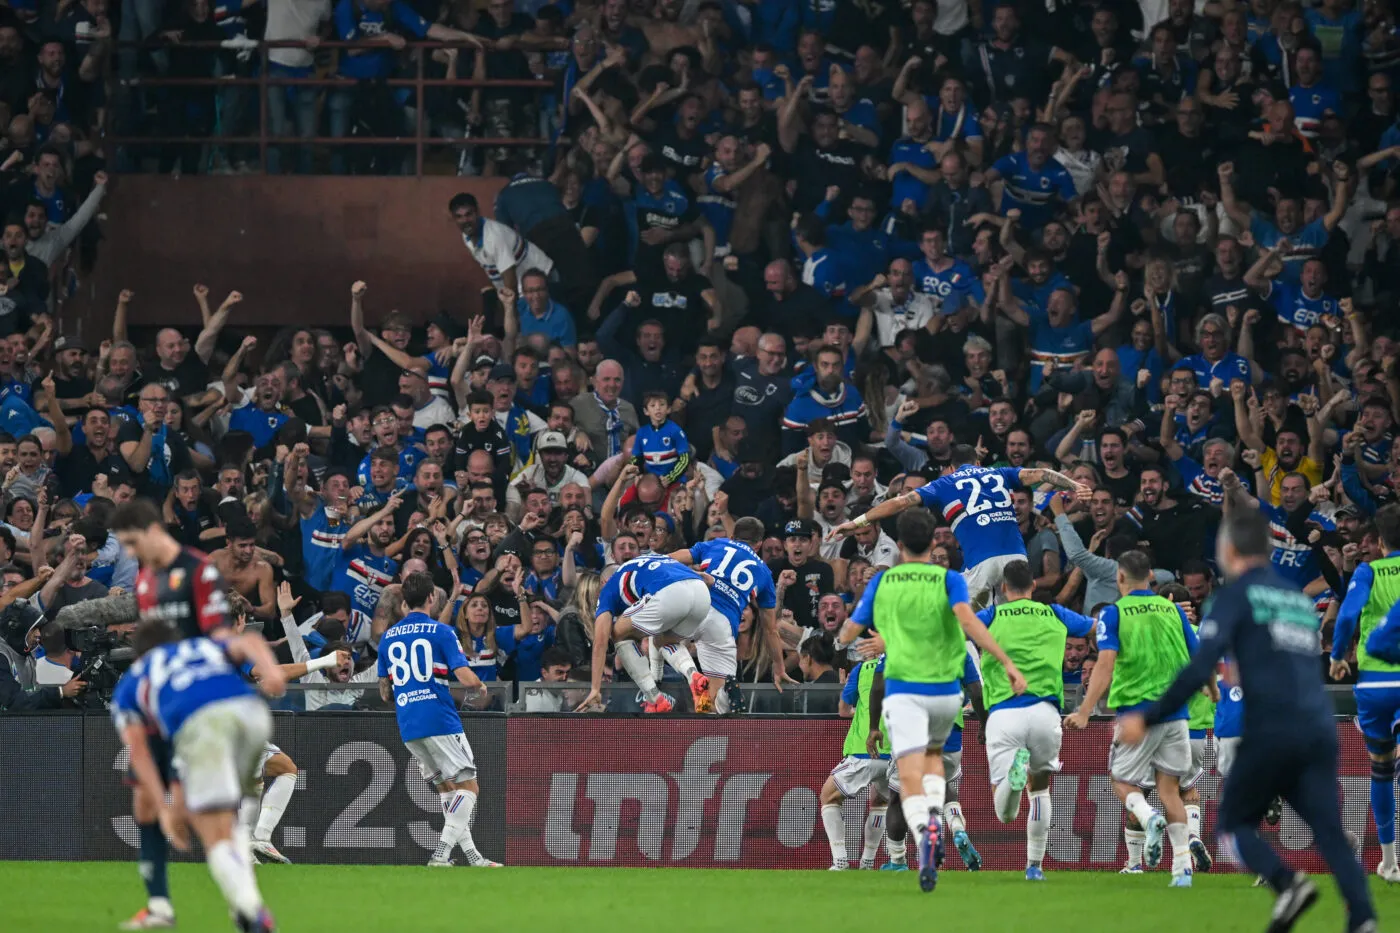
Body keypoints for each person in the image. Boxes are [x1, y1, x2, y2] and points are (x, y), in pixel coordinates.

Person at [1119, 507, 1377, 933]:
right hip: (1318, 725)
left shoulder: (1235, 596)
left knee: (1232, 826)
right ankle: (1364, 919)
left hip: (1271, 726)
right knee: (1329, 831)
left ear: (1228, 550)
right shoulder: (1294, 598)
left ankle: (1286, 883)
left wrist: (1148, 717)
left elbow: (1200, 665)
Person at [834, 508, 1026, 893]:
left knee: (905, 781)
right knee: (936, 761)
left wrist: (847, 637)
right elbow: (969, 624)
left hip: (906, 695)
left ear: (899, 545)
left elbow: (853, 629)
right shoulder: (951, 579)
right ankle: (937, 818)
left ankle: (922, 836)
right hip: (945, 698)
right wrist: (1005, 661)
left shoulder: (885, 581)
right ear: (933, 542)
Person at [110, 619, 285, 933]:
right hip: (253, 714)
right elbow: (250, 641)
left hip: (205, 726)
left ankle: (251, 910)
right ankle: (245, 907)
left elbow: (139, 751)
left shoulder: (135, 677)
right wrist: (272, 672)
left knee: (213, 835)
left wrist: (165, 808)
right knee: (230, 821)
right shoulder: (200, 646)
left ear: (139, 653)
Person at [110, 498, 233, 932]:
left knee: (204, 816)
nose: (129, 553)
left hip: (196, 704)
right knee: (145, 801)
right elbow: (151, 642)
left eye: (131, 543)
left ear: (150, 530)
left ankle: (243, 902)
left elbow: (219, 638)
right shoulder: (145, 579)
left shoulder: (199, 570)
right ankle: (159, 905)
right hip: (157, 700)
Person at [1064, 550, 1203, 888]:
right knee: (1171, 790)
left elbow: (1105, 663)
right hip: (1177, 715)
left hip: (1137, 715)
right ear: (1151, 576)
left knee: (1122, 781)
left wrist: (1085, 710)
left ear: (1120, 577)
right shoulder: (1172, 610)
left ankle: (1147, 817)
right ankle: (1182, 869)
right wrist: (1211, 687)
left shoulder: (1114, 613)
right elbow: (1199, 655)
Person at [828, 444, 1092, 608]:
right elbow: (1041, 474)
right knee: (1014, 623)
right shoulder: (999, 473)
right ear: (978, 463)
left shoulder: (946, 483)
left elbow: (899, 502)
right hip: (1017, 560)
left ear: (952, 468)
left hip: (981, 563)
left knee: (960, 623)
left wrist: (857, 521)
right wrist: (1075, 485)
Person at [976, 559, 1094, 880]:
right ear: (1033, 586)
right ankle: (1034, 867)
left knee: (1005, 813)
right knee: (1040, 789)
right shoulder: (1055, 612)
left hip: (1004, 713)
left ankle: (1015, 776)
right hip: (1045, 713)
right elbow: (1098, 629)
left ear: (1003, 588)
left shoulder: (992, 615)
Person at [376, 571, 500, 868]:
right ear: (431, 597)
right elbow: (466, 677)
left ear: (405, 601)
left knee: (448, 790)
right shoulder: (441, 632)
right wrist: (480, 686)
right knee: (469, 787)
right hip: (439, 719)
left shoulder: (387, 638)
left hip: (409, 724)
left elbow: (385, 692)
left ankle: (473, 857)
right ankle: (441, 853)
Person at [1329, 502, 1400, 882]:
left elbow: (1346, 616)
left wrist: (1337, 656)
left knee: (1381, 771)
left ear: (1380, 541)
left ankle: (1389, 862)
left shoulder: (1368, 571)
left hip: (1374, 684)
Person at [669, 516, 791, 712]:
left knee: (658, 639)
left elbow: (672, 559)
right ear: (759, 544)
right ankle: (723, 696)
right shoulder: (764, 573)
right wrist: (779, 666)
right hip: (722, 625)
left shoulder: (717, 544)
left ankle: (690, 676)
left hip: (696, 606)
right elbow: (770, 630)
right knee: (717, 702)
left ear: (732, 536)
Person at [575, 554, 714, 713]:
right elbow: (709, 580)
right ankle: (694, 676)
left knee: (618, 634)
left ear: (603, 582)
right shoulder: (648, 561)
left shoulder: (609, 586)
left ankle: (654, 698)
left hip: (668, 594)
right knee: (663, 641)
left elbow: (600, 642)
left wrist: (595, 688)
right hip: (701, 593)